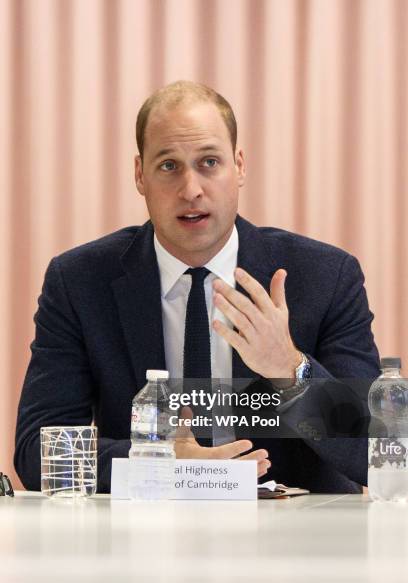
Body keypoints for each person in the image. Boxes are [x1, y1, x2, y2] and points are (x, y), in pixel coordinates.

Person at [14, 81, 380, 493]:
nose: (191, 190)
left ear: (239, 166)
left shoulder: (325, 277)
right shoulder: (80, 281)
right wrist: (160, 463)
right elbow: (38, 451)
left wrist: (291, 370)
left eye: (209, 162)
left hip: (293, 540)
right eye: (169, 166)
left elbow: (378, 454)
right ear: (140, 175)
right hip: (142, 540)